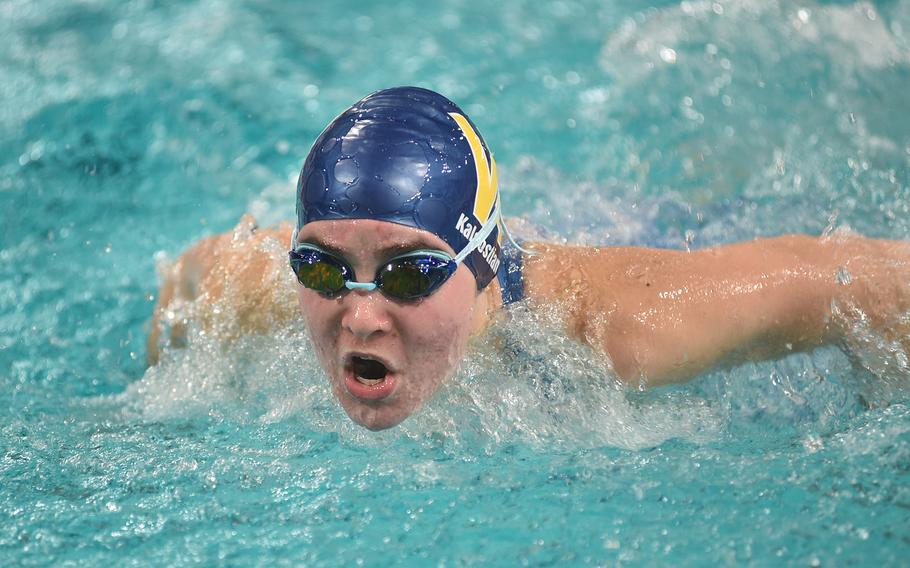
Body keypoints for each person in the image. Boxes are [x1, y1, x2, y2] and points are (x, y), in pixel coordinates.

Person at [147, 87, 910, 430]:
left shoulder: (620, 329)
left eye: (413, 272)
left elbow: (857, 281)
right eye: (321, 267)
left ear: (481, 271)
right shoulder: (260, 289)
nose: (361, 314)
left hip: (664, 231)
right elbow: (188, 285)